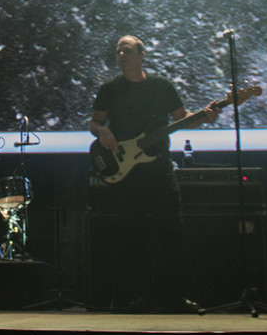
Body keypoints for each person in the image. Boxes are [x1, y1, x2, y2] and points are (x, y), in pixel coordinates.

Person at [89, 35, 217, 313]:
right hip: (126, 172)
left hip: (159, 169)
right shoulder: (109, 89)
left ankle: (174, 298)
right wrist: (103, 131)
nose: (121, 55)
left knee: (171, 233)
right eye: (118, 51)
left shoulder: (161, 87)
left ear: (141, 55)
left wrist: (204, 116)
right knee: (131, 236)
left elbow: (183, 117)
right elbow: (95, 122)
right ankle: (139, 297)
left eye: (127, 50)